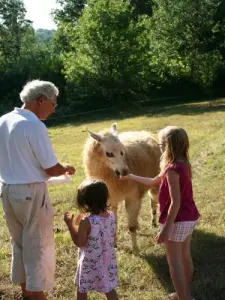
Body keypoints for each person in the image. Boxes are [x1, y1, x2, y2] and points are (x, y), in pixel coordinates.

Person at [0, 80, 76, 300]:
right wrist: (66, 168)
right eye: (53, 103)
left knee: (20, 244)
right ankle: (37, 296)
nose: (53, 109)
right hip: (30, 193)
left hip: (7, 190)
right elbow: (51, 168)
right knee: (38, 247)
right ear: (41, 100)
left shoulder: (3, 120)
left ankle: (26, 293)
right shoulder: (33, 125)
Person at [120, 126, 200, 300]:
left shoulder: (172, 170)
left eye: (160, 143)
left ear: (166, 146)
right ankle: (183, 292)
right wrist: (131, 176)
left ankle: (184, 297)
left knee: (174, 262)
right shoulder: (181, 164)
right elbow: (154, 181)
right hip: (189, 217)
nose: (158, 147)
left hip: (176, 220)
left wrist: (165, 229)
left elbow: (175, 201)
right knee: (185, 256)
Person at [64, 179, 119, 300]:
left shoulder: (87, 221)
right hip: (107, 260)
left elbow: (80, 242)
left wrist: (70, 226)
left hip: (90, 262)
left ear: (85, 201)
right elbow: (112, 234)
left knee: (82, 287)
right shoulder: (111, 215)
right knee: (108, 288)